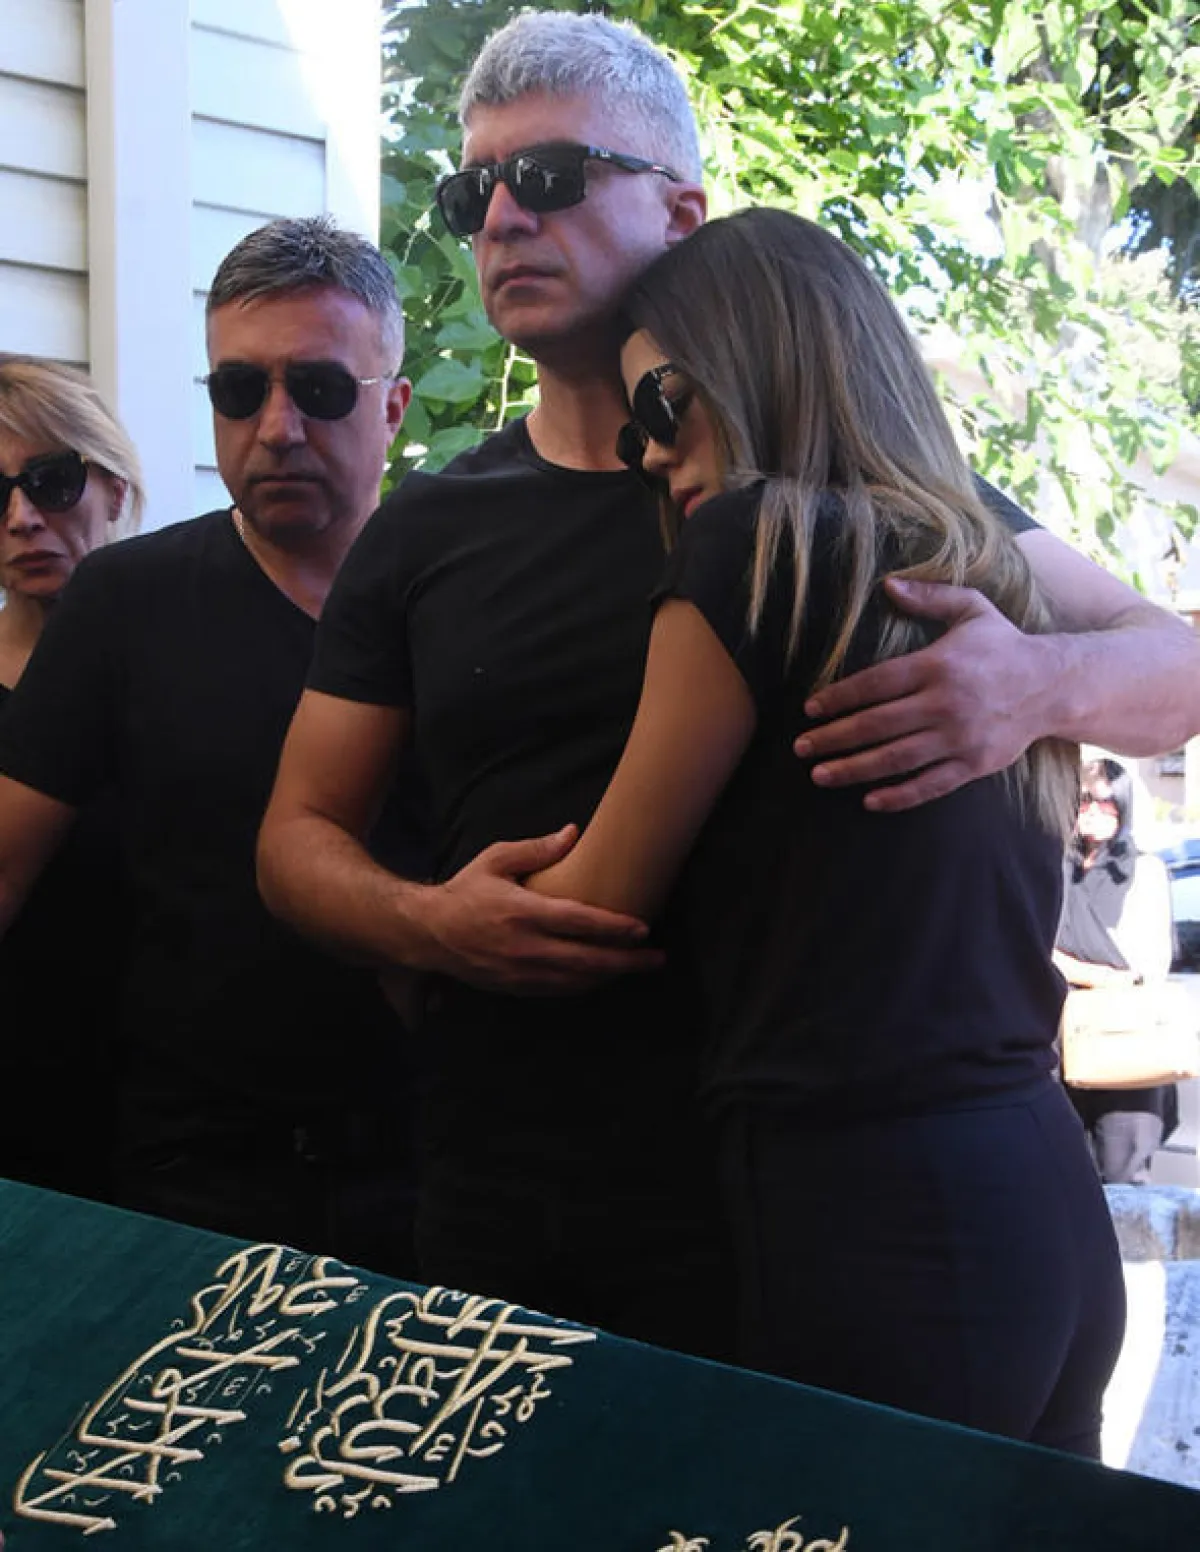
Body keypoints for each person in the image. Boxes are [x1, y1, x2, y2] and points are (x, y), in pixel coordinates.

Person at [258, 14, 1199, 1355]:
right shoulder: (426, 530)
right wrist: (428, 924)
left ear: (683, 211)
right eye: (474, 193)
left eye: (551, 176)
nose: (503, 219)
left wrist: (1034, 683)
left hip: (817, 1209)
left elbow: (1178, 667)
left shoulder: (845, 495)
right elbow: (294, 839)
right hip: (537, 1200)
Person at [0, 219, 424, 1278]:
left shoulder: (466, 592)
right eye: (239, 390)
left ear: (393, 407)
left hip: (443, 1162)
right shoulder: (127, 603)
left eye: (320, 389)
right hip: (199, 1175)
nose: (277, 427)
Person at [0, 355, 144, 1199]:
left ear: (115, 489)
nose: (21, 518)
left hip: (161, 1090)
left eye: (51, 481)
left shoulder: (182, 664)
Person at [1057, 757, 1179, 1184]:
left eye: (1106, 801)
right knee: (1064, 1174)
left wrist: (1076, 970)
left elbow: (1149, 965)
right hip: (1058, 1043)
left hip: (1123, 1042)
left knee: (1122, 1176)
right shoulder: (1055, 867)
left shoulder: (1144, 871)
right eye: (1083, 800)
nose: (1093, 810)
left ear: (1124, 805)